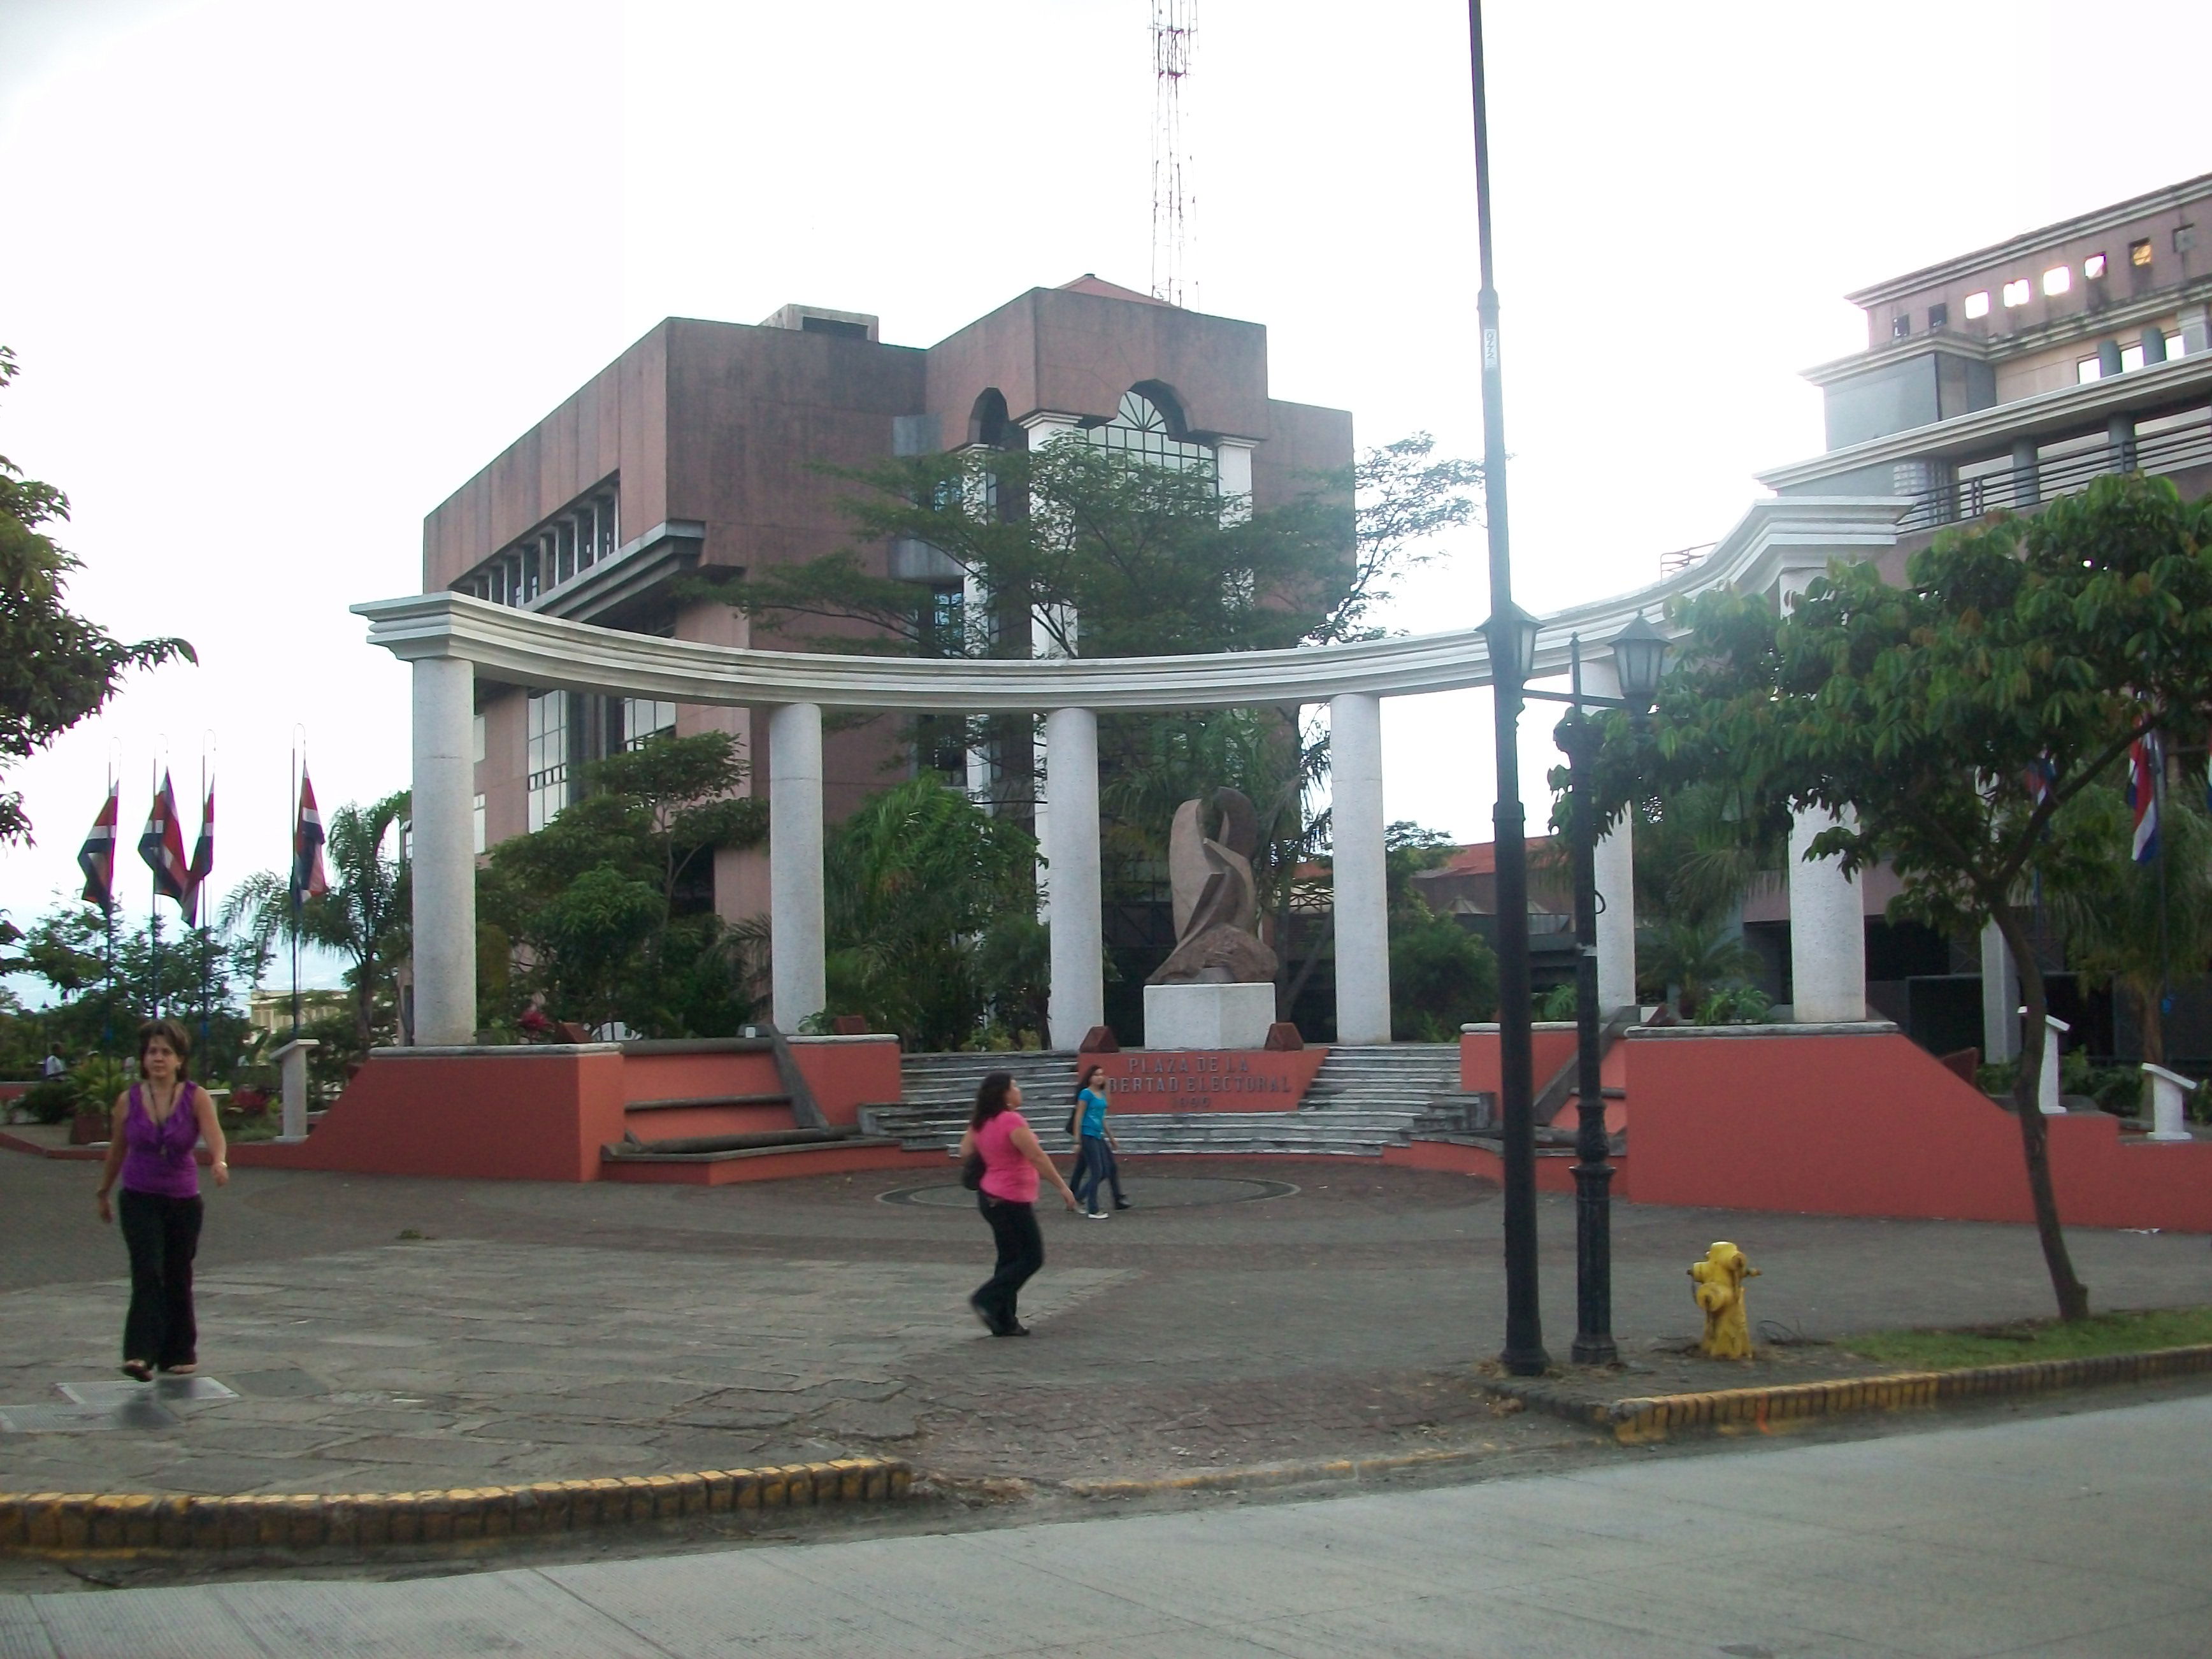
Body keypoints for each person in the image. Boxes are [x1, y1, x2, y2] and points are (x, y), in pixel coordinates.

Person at [94, 1018, 227, 1382]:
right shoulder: (129, 1101)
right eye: (152, 1051)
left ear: (179, 1059)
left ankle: (179, 1351)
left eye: (166, 1052)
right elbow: (117, 1150)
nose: (158, 1058)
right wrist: (104, 1191)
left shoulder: (195, 1096)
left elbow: (215, 1136)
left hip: (183, 1201)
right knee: (148, 1270)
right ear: (143, 1058)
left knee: (177, 1274)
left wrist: (219, 1161)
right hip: (139, 1197)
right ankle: (139, 1353)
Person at [958, 1071, 1076, 1337]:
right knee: (1032, 1257)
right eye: (1015, 1086)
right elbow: (1036, 1156)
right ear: (1004, 1094)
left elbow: (964, 1150)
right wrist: (1062, 1187)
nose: (1019, 1090)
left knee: (1009, 1258)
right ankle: (986, 1298)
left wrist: (991, 1147)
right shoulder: (1012, 1120)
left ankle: (1004, 1321)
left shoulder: (982, 1122)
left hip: (990, 1197)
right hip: (1011, 1199)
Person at [1069, 1063, 1129, 1219]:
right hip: (1087, 1135)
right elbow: (1079, 1116)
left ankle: (1078, 1198)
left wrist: (1111, 1137)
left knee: (1107, 1170)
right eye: (1096, 1075)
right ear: (1089, 1078)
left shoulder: (1100, 1095)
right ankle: (1093, 1209)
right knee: (1098, 1171)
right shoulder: (1085, 1094)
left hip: (1098, 1135)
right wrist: (1077, 1140)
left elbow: (1103, 1114)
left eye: (1101, 1074)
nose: (1099, 1077)